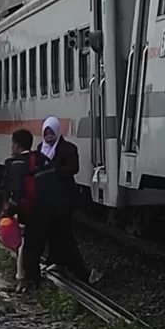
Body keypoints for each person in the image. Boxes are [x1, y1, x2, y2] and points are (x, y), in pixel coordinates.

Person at [37, 116, 101, 284]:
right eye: (46, 133)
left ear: (58, 132)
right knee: (55, 231)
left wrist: (54, 171)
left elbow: (73, 168)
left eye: (51, 133)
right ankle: (58, 262)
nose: (49, 136)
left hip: (64, 197)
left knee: (63, 232)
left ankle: (80, 271)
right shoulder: (40, 149)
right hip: (47, 198)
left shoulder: (68, 148)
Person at [3, 128, 58, 292]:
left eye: (12, 143)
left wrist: (8, 213)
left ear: (16, 145)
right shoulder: (42, 158)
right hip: (46, 209)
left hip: (27, 212)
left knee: (26, 248)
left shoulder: (15, 164)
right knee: (35, 246)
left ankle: (27, 282)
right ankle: (30, 281)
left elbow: (15, 192)